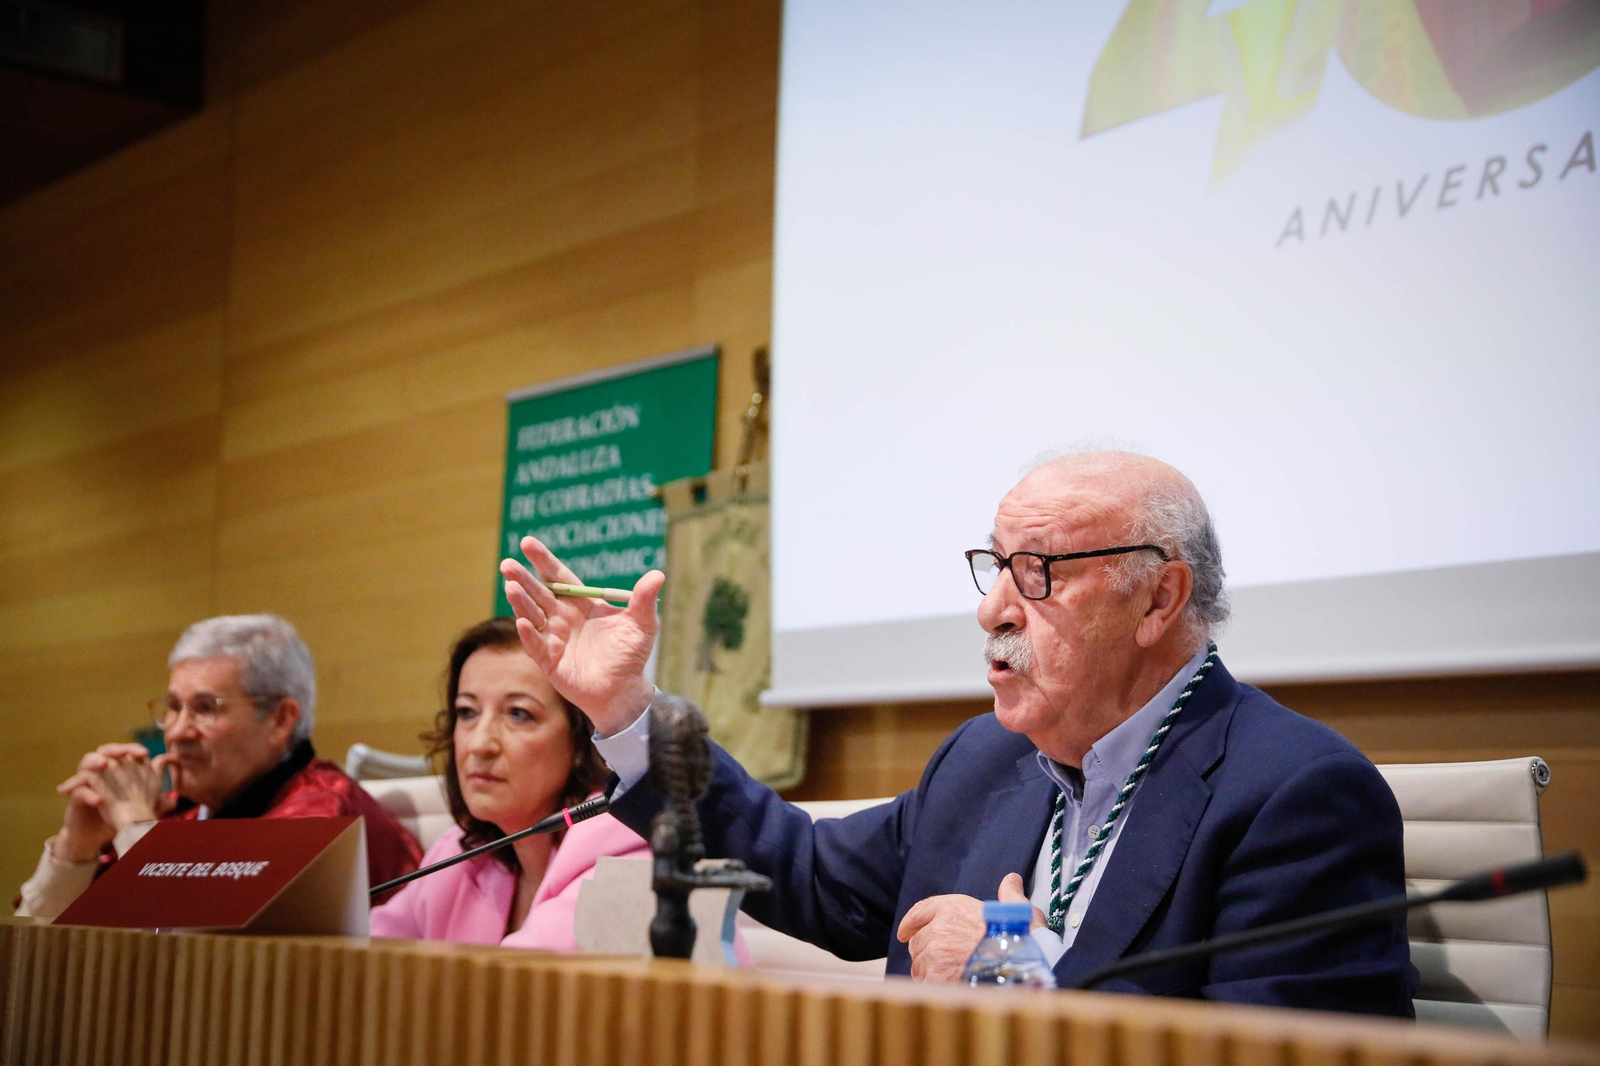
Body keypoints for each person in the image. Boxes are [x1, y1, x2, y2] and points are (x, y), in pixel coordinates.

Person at [497, 448, 1416, 1014]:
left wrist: (1027, 980)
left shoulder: (1295, 794)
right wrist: (625, 714)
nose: (991, 610)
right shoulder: (986, 760)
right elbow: (805, 877)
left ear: (1160, 598)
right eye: (995, 567)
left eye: (1038, 571)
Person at [14, 615, 422, 918]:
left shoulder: (324, 814)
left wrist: (136, 828)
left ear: (280, 720)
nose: (176, 732)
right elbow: (31, 951)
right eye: (173, 707)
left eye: (205, 709)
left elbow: (210, 953)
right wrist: (76, 849)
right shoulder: (180, 809)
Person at [369, 617, 650, 949]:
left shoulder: (623, 846)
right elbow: (360, 957)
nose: (480, 744)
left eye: (518, 714)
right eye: (467, 712)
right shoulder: (462, 853)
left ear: (581, 739)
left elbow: (521, 988)